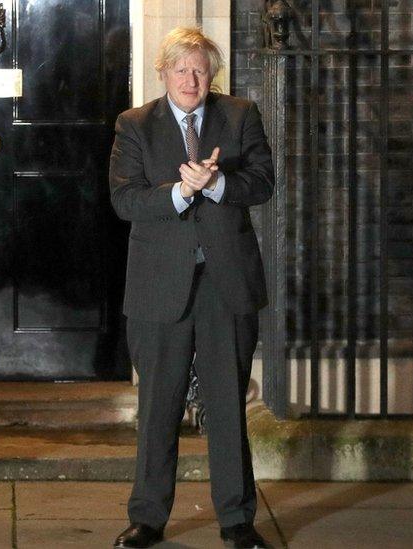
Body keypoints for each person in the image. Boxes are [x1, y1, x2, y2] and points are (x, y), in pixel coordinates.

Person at [108, 26, 273, 549]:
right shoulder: (135, 125)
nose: (191, 79)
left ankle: (237, 521)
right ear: (163, 74)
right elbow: (125, 200)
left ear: (212, 74)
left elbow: (263, 182)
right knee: (159, 405)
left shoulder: (240, 115)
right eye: (180, 69)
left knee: (227, 405)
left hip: (225, 284)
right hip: (160, 286)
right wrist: (180, 191)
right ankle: (148, 518)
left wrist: (218, 183)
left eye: (200, 69)